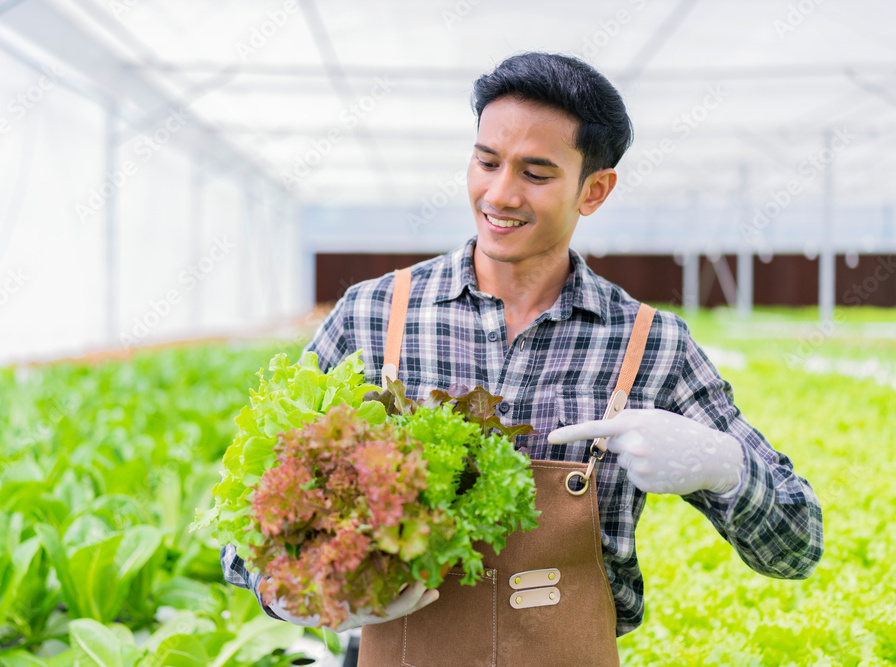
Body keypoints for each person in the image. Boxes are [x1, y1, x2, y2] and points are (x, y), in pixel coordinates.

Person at [221, 51, 823, 662]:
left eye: (536, 174)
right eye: (486, 162)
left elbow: (798, 546)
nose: (500, 194)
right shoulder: (375, 315)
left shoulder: (651, 346)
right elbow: (244, 523)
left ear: (595, 190)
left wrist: (724, 466)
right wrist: (292, 593)